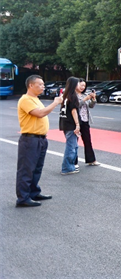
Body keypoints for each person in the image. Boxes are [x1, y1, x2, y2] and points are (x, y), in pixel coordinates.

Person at [16, 75, 62, 207]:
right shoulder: (26, 99)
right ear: (31, 85)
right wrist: (55, 102)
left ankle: (33, 192)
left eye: (43, 84)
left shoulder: (35, 99)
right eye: (40, 84)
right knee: (26, 169)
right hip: (30, 139)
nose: (43, 86)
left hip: (40, 139)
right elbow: (40, 113)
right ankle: (23, 198)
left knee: (37, 168)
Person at [59, 77, 82, 175]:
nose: (79, 85)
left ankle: (71, 166)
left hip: (64, 122)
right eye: (77, 84)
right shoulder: (73, 96)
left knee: (74, 146)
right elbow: (74, 111)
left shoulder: (65, 95)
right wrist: (77, 124)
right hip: (70, 124)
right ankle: (67, 167)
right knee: (71, 147)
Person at [76, 79, 100, 166]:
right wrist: (85, 99)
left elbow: (91, 106)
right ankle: (74, 162)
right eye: (81, 85)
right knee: (74, 142)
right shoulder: (72, 95)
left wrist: (93, 99)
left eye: (84, 86)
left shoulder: (84, 94)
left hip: (85, 120)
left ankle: (91, 160)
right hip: (76, 121)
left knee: (87, 141)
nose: (82, 87)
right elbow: (76, 106)